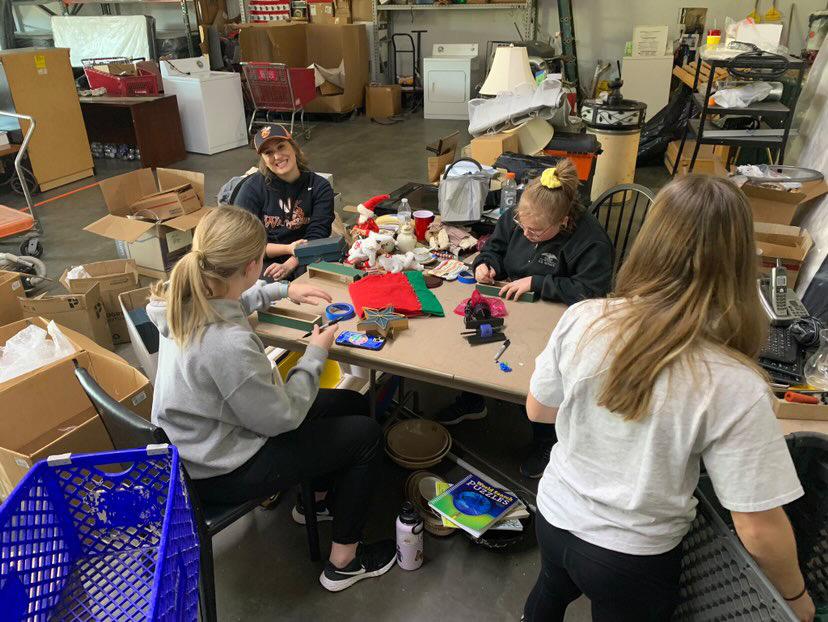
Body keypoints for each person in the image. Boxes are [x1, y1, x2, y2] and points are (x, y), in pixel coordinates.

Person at [523, 175, 814, 622]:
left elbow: (539, 410)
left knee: (549, 588)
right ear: (739, 262)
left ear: (649, 242)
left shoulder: (584, 316)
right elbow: (757, 526)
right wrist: (796, 598)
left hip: (555, 516)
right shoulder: (734, 381)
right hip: (632, 554)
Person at [148, 207, 396, 592]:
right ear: (252, 265)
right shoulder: (227, 345)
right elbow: (283, 418)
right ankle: (344, 562)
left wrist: (284, 288)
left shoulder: (181, 299)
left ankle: (315, 499)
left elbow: (230, 305)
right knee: (365, 436)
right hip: (219, 470)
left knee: (348, 404)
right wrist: (315, 354)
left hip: (197, 445)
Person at [435, 160, 614, 479]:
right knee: (474, 334)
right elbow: (496, 248)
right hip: (512, 304)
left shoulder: (591, 241)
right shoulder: (520, 220)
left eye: (536, 231)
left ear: (565, 221)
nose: (526, 233)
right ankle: (474, 399)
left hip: (559, 316)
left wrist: (538, 282)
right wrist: (486, 263)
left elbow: (592, 292)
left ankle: (546, 439)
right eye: (522, 224)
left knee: (534, 369)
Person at [234, 123, 335, 282]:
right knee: (265, 290)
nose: (277, 156)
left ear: (294, 147)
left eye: (281, 147)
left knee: (318, 282)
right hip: (263, 257)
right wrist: (287, 249)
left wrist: (291, 262)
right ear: (263, 160)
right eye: (269, 153)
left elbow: (319, 234)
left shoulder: (319, 187)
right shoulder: (252, 189)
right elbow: (242, 243)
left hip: (308, 253)